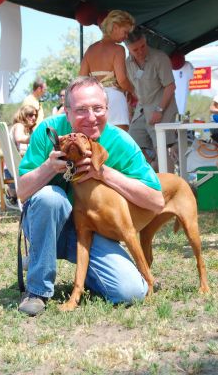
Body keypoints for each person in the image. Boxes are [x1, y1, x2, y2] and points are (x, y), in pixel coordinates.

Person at [17, 76, 165, 316]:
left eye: (98, 108)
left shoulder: (120, 142)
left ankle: (91, 274)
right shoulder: (47, 132)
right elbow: (22, 192)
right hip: (51, 227)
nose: (91, 117)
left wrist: (104, 173)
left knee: (129, 291)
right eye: (81, 110)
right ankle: (37, 290)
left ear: (107, 109)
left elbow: (157, 201)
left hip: (93, 233)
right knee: (50, 198)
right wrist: (48, 168)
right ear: (67, 112)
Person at [125, 27, 178, 171]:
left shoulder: (160, 58)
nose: (140, 51)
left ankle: (169, 186)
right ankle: (153, 169)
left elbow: (170, 87)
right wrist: (130, 109)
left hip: (162, 109)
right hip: (142, 110)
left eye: (143, 46)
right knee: (131, 145)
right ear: (128, 49)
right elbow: (135, 89)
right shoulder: (127, 63)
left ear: (145, 41)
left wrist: (159, 110)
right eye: (135, 49)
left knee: (162, 151)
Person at [79, 10, 136, 132]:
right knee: (119, 142)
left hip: (95, 100)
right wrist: (133, 90)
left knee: (99, 142)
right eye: (125, 32)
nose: (126, 37)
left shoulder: (91, 49)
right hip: (115, 99)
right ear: (115, 27)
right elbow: (122, 80)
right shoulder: (118, 49)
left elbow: (81, 79)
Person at [4, 104, 38, 205]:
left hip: (12, 169)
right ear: (23, 115)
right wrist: (35, 137)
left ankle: (12, 194)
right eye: (30, 115)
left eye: (35, 115)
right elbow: (19, 138)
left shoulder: (26, 129)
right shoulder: (19, 126)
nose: (34, 118)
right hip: (17, 169)